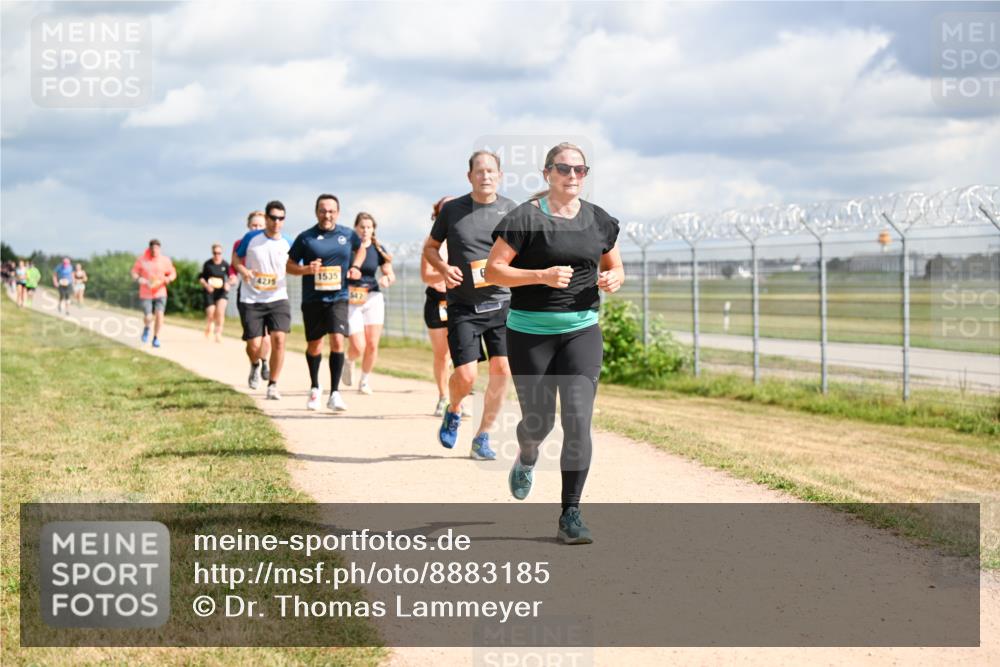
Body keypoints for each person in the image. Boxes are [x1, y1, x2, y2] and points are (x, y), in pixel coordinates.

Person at [485, 142, 624, 545]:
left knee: (578, 419)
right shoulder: (525, 218)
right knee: (539, 421)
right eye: (564, 168)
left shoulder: (598, 220)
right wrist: (540, 277)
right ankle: (527, 456)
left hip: (582, 331)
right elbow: (495, 271)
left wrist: (615, 279)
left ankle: (571, 513)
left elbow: (614, 263)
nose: (573, 176)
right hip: (530, 334)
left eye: (581, 169)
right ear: (547, 173)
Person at [423, 150, 516, 460]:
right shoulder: (452, 211)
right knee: (466, 376)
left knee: (502, 370)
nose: (485, 176)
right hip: (463, 306)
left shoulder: (511, 210)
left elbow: (525, 253)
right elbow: (431, 248)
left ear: (499, 176)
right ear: (469, 176)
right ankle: (453, 408)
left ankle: (482, 436)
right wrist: (443, 268)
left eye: (491, 171)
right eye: (480, 171)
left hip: (502, 304)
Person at [287, 194, 364, 412]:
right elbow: (289, 265)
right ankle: (314, 387)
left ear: (337, 213)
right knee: (315, 345)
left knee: (338, 342)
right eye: (323, 210)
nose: (327, 215)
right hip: (313, 299)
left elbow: (362, 249)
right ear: (316, 212)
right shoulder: (306, 238)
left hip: (338, 297)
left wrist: (356, 266)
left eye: (331, 211)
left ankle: (335, 393)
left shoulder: (347, 235)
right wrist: (306, 269)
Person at [233, 201, 293, 398]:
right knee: (254, 345)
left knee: (278, 340)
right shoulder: (251, 238)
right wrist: (243, 271)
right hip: (251, 299)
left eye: (280, 218)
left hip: (277, 298)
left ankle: (273, 385)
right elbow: (235, 259)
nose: (277, 222)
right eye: (273, 217)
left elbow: (297, 265)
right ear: (267, 218)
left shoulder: (288, 242)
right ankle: (255, 363)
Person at [344, 212, 395, 395]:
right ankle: (349, 361)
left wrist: (387, 279)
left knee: (372, 344)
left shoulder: (378, 248)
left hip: (373, 298)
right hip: (352, 299)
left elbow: (389, 273)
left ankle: (364, 380)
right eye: (362, 227)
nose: (365, 230)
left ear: (373, 229)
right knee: (358, 345)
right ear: (355, 228)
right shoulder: (348, 248)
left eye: (369, 227)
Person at [421, 196, 463, 417]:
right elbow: (425, 275)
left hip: (460, 300)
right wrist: (448, 270)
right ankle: (442, 396)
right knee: (442, 354)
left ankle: (459, 398)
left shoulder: (465, 236)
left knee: (461, 353)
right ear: (438, 214)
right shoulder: (432, 241)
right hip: (438, 300)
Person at [233, 211, 271, 382]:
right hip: (248, 295)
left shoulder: (272, 242)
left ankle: (265, 362)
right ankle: (254, 363)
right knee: (252, 341)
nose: (257, 228)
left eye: (260, 226)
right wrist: (241, 272)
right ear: (248, 226)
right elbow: (235, 263)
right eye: (254, 225)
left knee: (268, 337)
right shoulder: (241, 243)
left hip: (270, 294)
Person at [131, 239, 176, 348]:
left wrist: (168, 278)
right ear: (150, 248)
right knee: (148, 316)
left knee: (160, 315)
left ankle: (156, 338)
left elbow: (172, 273)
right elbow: (134, 272)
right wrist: (139, 279)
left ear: (159, 249)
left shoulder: (165, 260)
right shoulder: (142, 260)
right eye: (153, 249)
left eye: (157, 249)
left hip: (160, 292)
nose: (155, 251)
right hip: (146, 293)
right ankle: (147, 327)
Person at [200, 243, 233, 342]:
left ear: (221, 253)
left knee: (220, 312)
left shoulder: (225, 264)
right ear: (212, 253)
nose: (217, 255)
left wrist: (228, 283)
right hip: (210, 291)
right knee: (211, 313)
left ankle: (218, 332)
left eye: (219, 253)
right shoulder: (208, 264)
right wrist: (206, 285)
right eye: (215, 253)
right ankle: (210, 324)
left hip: (221, 291)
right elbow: (201, 278)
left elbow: (232, 277)